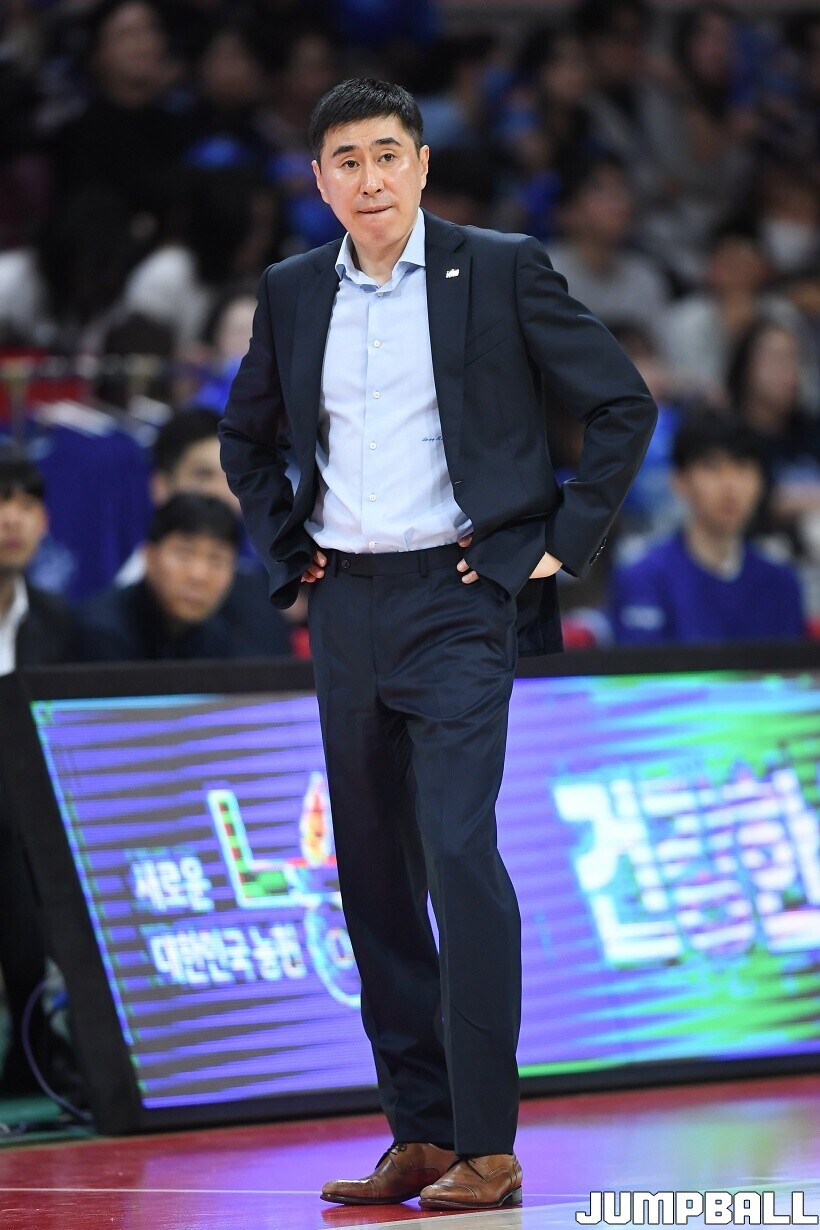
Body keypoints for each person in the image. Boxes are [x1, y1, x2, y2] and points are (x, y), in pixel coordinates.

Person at [220, 79, 656, 1211]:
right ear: (318, 182)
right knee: (370, 871)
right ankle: (417, 1133)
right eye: (345, 160)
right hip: (346, 604)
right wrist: (288, 553)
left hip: (463, 597)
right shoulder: (292, 289)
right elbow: (245, 436)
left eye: (386, 154)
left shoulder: (499, 267)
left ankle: (487, 1144)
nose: (368, 178)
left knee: (458, 853)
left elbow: (621, 404)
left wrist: (555, 544)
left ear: (421, 164)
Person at [0, 455, 79, 1095]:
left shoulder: (58, 622)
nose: (13, 519)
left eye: (27, 504)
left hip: (27, 824)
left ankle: (37, 1069)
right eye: (1, 502)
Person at [611, 415, 805, 645]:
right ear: (680, 480)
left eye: (742, 466)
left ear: (761, 481)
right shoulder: (644, 578)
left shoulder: (782, 584)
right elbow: (642, 665)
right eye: (712, 467)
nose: (730, 485)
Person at [116, 409, 293, 656]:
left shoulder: (262, 596)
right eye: (204, 476)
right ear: (161, 486)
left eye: (233, 478)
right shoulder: (109, 600)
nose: (221, 494)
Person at [78, 492, 246, 662]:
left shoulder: (222, 636)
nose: (198, 575)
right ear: (149, 556)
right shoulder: (103, 632)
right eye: (184, 554)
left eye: (217, 559)